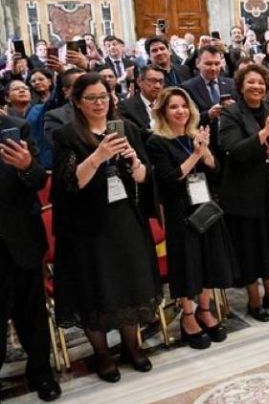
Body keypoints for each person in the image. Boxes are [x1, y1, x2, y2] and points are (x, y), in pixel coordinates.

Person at [51, 72, 160, 382]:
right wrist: (100, 155)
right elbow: (71, 183)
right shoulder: (66, 135)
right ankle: (102, 354)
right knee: (96, 285)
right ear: (76, 102)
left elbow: (143, 178)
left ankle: (131, 346)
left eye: (104, 96)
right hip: (87, 227)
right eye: (91, 98)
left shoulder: (125, 128)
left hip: (125, 217)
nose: (99, 103)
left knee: (130, 279)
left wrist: (134, 161)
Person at [146, 88, 237, 349]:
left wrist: (205, 151)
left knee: (211, 259)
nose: (180, 111)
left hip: (205, 204)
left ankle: (205, 309)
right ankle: (187, 315)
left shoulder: (194, 134)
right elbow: (169, 178)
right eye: (173, 107)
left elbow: (215, 170)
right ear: (163, 111)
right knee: (187, 264)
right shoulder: (157, 141)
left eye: (184, 106)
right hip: (179, 210)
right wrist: (195, 155)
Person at [219, 64, 269, 322]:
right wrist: (264, 132)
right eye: (251, 82)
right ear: (241, 86)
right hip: (244, 194)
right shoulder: (231, 114)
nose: (257, 87)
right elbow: (234, 150)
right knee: (251, 248)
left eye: (261, 83)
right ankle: (254, 300)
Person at [0, 112, 61, 401]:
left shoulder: (15, 127)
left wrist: (26, 166)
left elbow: (38, 181)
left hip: (20, 238)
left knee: (32, 313)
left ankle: (41, 373)